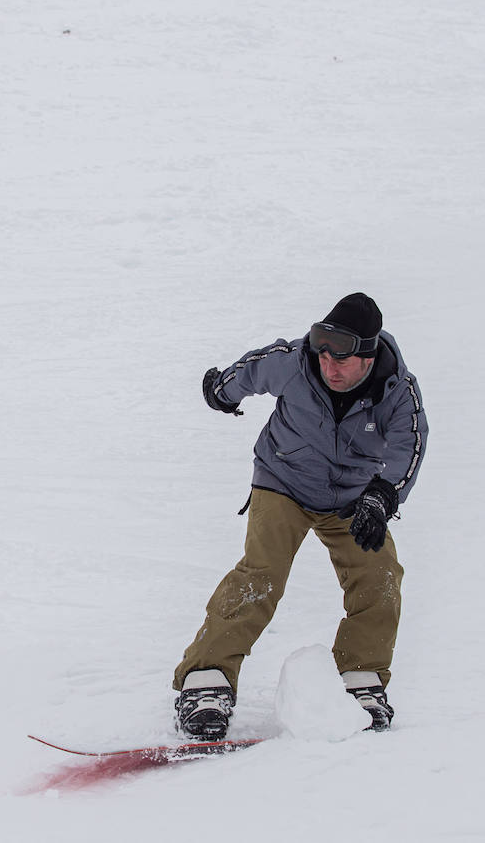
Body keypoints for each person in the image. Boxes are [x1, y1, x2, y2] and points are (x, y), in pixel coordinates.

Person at [173, 293, 428, 738]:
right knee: (262, 573)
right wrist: (221, 391)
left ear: (367, 357)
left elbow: (411, 445)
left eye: (341, 360)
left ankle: (361, 679)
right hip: (283, 481)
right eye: (323, 354)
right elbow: (252, 370)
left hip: (352, 498)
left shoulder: (397, 391)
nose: (328, 366)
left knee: (379, 575)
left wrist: (383, 495)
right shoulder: (296, 361)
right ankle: (206, 678)